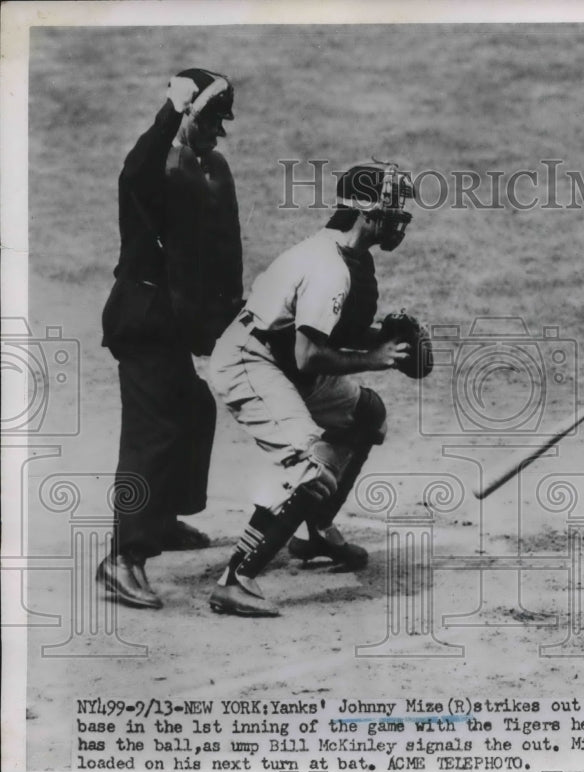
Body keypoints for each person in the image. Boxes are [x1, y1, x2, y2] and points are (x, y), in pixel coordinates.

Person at [207, 161, 431, 617]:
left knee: (366, 416)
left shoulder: (353, 258)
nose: (398, 217)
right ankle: (235, 579)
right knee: (310, 468)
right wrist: (374, 358)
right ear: (364, 212)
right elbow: (309, 355)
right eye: (391, 208)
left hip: (284, 358)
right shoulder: (328, 267)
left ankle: (315, 534)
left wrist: (377, 340)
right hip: (251, 360)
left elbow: (327, 336)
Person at [98, 68, 244, 610]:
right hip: (144, 316)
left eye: (219, 121)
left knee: (194, 409)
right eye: (207, 118)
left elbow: (220, 255)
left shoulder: (207, 169)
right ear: (185, 114)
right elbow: (132, 173)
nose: (216, 130)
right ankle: (122, 559)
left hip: (176, 319)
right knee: (152, 433)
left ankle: (157, 522)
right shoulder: (155, 168)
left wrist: (228, 320)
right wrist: (169, 112)